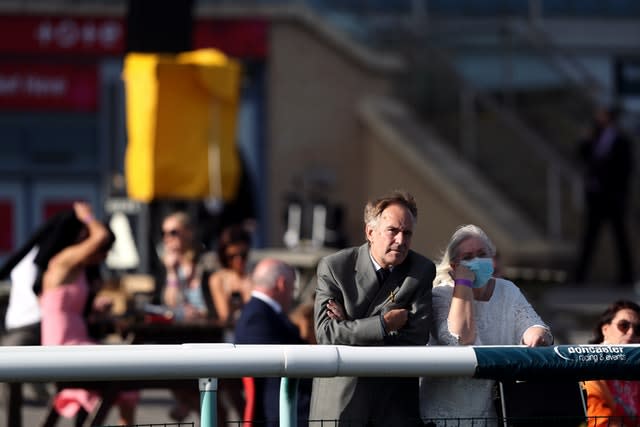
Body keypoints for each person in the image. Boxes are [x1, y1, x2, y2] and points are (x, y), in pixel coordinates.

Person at [309, 190, 435, 427]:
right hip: (342, 398)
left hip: (394, 403)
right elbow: (326, 334)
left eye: (407, 233)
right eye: (393, 231)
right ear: (370, 232)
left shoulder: (421, 270)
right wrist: (384, 324)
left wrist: (348, 326)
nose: (401, 240)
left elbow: (417, 337)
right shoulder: (335, 266)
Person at [419, 224, 552, 425]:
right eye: (468, 257)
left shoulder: (507, 290)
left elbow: (534, 326)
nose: (476, 261)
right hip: (443, 415)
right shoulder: (440, 295)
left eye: (482, 254)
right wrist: (463, 284)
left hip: (491, 414)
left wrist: (536, 334)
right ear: (454, 266)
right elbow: (462, 339)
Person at [39, 202, 138, 425]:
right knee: (127, 373)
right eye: (101, 253)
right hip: (63, 345)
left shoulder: (78, 271)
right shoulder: (63, 261)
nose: (101, 257)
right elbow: (101, 236)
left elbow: (64, 304)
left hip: (78, 340)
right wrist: (88, 217)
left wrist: (95, 308)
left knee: (128, 379)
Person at [234, 258, 308, 426]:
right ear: (282, 284)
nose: (292, 294)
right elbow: (282, 367)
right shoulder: (258, 317)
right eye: (293, 287)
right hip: (283, 411)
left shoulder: (260, 312)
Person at [574, 105, 634, 285]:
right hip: (596, 196)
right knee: (589, 237)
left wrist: (620, 193)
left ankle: (626, 275)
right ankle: (580, 276)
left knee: (620, 237)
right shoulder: (595, 137)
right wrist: (585, 140)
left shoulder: (621, 141)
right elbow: (583, 156)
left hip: (613, 196)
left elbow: (625, 169)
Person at [583, 300, 640, 427]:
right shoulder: (589, 367)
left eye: (638, 329)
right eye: (624, 325)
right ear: (605, 329)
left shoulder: (636, 371)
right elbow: (599, 421)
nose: (631, 333)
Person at [160, 211, 209, 321]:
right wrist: (171, 272)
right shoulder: (166, 265)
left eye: (173, 233)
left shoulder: (206, 262)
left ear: (189, 232)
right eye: (163, 233)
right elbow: (170, 305)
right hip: (182, 328)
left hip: (208, 326)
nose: (167, 238)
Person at [208, 224, 253, 337]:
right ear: (224, 255)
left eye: (243, 255)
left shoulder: (254, 276)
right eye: (232, 256)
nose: (238, 260)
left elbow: (256, 314)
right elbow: (225, 315)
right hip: (230, 335)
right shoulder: (218, 278)